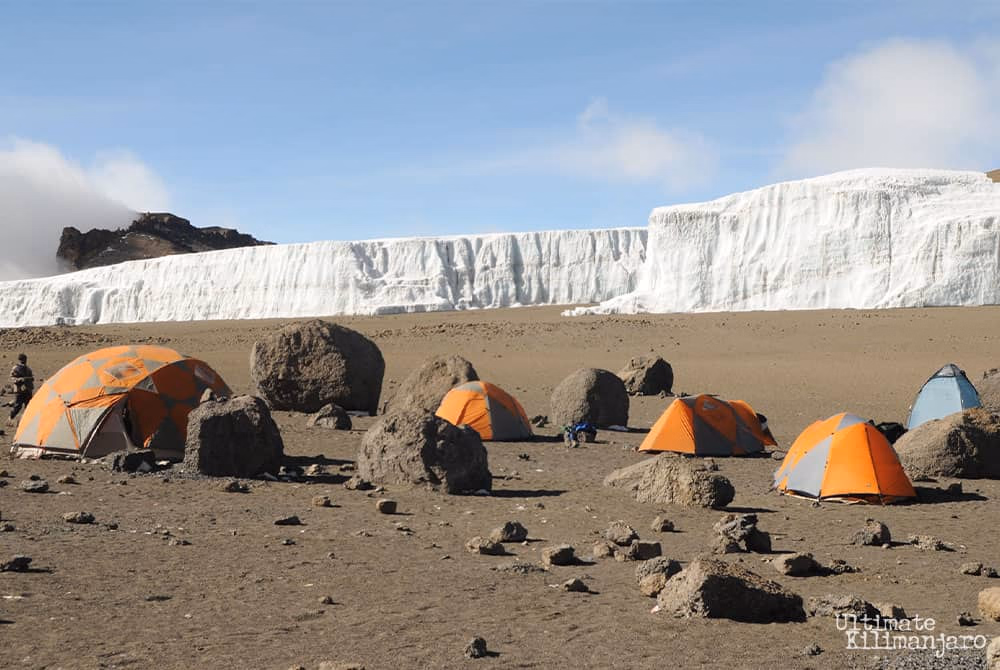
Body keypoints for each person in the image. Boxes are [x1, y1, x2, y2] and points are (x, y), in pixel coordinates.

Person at [8, 353, 34, 426]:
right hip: (19, 390)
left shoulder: (28, 369)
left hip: (28, 390)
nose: (24, 361)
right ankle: (10, 418)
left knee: (28, 406)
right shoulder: (16, 368)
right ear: (19, 360)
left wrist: (30, 379)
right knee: (18, 405)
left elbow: (31, 377)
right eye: (22, 360)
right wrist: (19, 380)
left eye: (24, 360)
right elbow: (12, 378)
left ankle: (26, 421)